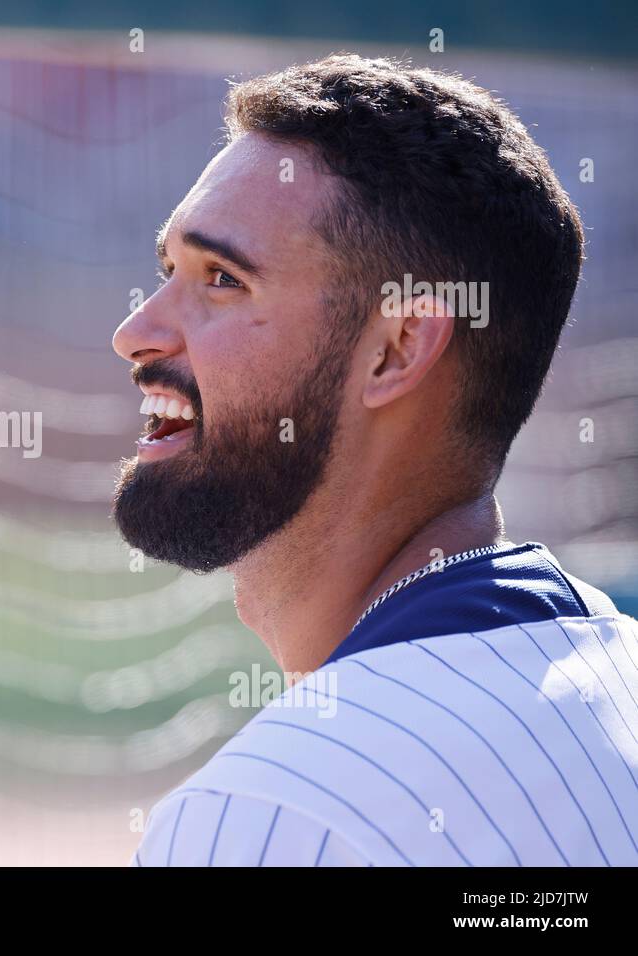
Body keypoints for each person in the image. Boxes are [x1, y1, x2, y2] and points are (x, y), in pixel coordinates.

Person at [112, 54, 638, 866]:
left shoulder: (270, 815)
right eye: (166, 271)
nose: (136, 332)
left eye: (221, 279)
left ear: (396, 350)